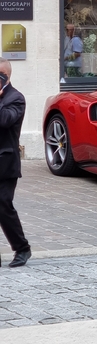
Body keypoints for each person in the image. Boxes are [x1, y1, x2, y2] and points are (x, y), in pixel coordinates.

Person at [0, 58, 31, 268]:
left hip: (5, 163)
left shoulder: (16, 98)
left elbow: (4, 121)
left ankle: (22, 248)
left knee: (3, 206)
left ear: (5, 75)